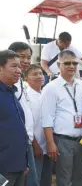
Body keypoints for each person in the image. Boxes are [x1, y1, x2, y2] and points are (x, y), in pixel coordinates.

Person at [41, 50, 82, 186]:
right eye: (67, 63)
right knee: (64, 179)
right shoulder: (51, 88)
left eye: (74, 63)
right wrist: (50, 143)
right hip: (62, 141)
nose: (72, 66)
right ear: (58, 64)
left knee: (81, 178)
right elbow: (47, 118)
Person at [8, 42, 38, 186]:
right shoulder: (9, 83)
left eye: (29, 57)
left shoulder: (20, 82)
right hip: (14, 144)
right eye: (22, 57)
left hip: (26, 141)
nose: (26, 61)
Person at [0, 50, 28, 186]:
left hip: (18, 166)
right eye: (13, 66)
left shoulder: (12, 92)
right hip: (3, 169)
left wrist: (24, 162)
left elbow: (19, 130)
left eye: (19, 67)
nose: (19, 70)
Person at [25, 64, 53, 186]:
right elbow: (28, 124)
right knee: (34, 180)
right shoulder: (26, 96)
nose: (39, 76)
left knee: (46, 180)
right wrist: (35, 145)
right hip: (35, 146)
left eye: (40, 73)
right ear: (26, 79)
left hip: (48, 145)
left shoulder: (45, 93)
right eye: (34, 74)